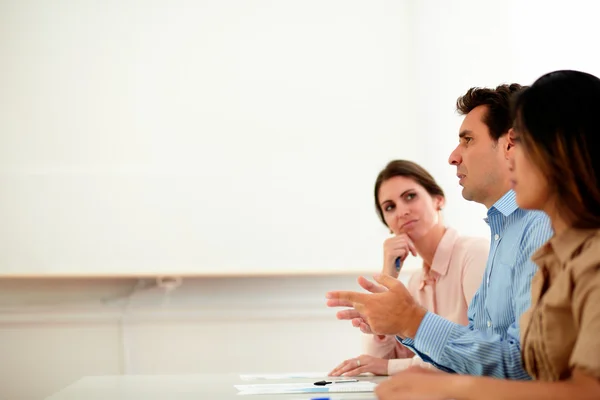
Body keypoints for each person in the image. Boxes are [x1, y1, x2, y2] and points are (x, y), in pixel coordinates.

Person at [374, 69, 600, 400]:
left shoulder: (553, 239)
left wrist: (415, 325)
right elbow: (521, 362)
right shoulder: (542, 250)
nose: (512, 156)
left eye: (518, 142)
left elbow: (557, 380)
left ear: (559, 150)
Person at [326, 84, 553, 379]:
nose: (453, 157)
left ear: (509, 144)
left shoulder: (536, 226)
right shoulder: (502, 232)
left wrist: (412, 322)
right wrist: (403, 319)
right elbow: (475, 351)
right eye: (389, 207)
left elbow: (524, 366)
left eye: (468, 140)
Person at [328, 160, 488, 377]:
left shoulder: (475, 255)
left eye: (410, 196)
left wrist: (389, 368)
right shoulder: (415, 283)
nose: (401, 212)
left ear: (438, 200)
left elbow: (480, 353)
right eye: (390, 207)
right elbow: (377, 360)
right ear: (388, 223)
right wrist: (387, 275)